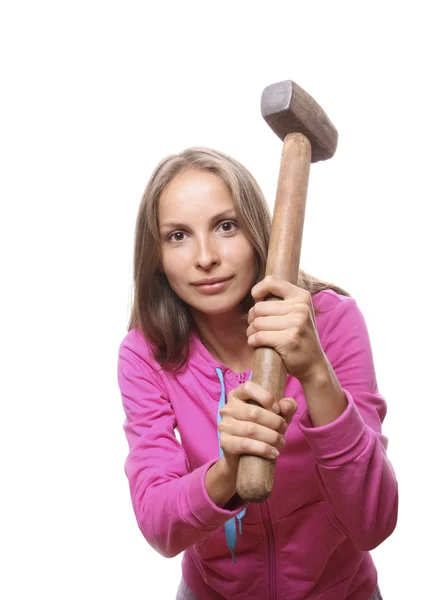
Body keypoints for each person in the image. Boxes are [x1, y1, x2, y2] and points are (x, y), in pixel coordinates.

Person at [117, 147, 398, 600]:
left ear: (255, 230)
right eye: (177, 236)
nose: (205, 257)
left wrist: (315, 372)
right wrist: (229, 469)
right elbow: (158, 525)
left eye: (226, 226)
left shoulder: (331, 320)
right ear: (156, 256)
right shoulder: (146, 352)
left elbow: (375, 520)